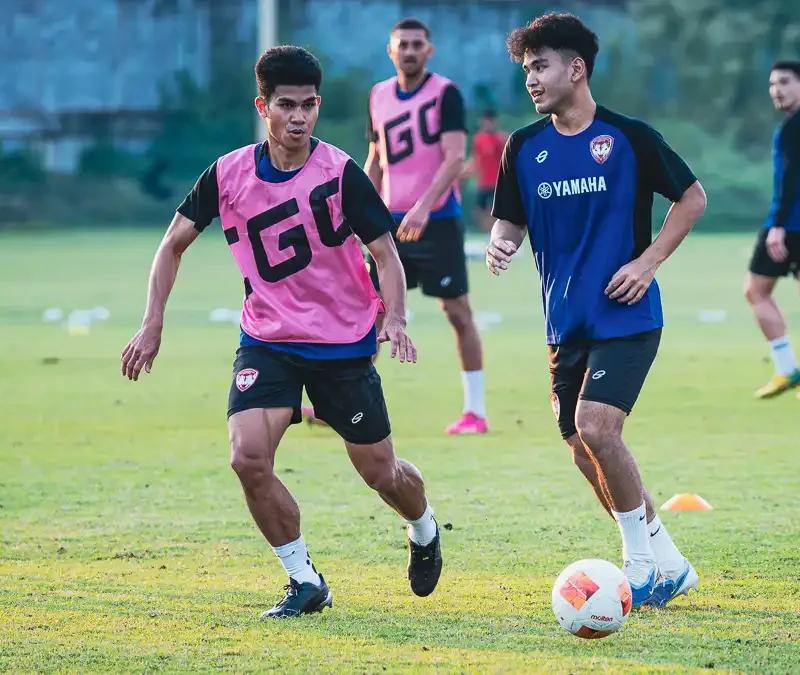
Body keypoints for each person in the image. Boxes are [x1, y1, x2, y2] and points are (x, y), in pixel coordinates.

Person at [120, 46, 443, 619]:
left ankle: (423, 527)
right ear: (262, 106)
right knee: (247, 459)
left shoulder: (340, 172)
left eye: (309, 105)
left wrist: (395, 318)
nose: (299, 117)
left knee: (381, 473)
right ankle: (304, 580)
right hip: (267, 340)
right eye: (286, 105)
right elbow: (171, 245)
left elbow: (386, 254)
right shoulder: (227, 174)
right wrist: (152, 322)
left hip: (342, 344)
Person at [486, 13, 707, 608]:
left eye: (540, 66)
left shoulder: (629, 137)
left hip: (627, 315)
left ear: (576, 68)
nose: (531, 80)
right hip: (564, 323)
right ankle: (671, 563)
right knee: (583, 448)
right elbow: (509, 220)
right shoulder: (523, 147)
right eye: (526, 70)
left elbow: (692, 198)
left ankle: (637, 567)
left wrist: (649, 262)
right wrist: (500, 242)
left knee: (598, 428)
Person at [365, 17, 488, 435]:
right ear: (391, 50)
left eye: (417, 44)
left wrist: (422, 206)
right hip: (389, 224)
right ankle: (345, 404)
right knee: (371, 313)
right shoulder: (378, 95)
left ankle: (475, 411)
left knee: (457, 311)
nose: (410, 51)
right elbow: (376, 158)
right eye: (403, 44)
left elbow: (455, 158)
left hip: (437, 220)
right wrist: (358, 209)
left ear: (429, 51)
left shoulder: (445, 93)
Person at [744, 60, 800, 399]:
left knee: (756, 291)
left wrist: (777, 224)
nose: (776, 90)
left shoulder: (793, 129)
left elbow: (789, 179)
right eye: (772, 84)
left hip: (789, 225)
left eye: (785, 82)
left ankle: (786, 367)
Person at [462, 110, 508, 234]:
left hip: (498, 183)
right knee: (479, 211)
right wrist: (465, 173)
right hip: (483, 183)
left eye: (490, 121)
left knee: (496, 211)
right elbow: (475, 159)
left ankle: (498, 234)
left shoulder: (501, 139)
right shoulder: (479, 139)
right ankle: (488, 234)